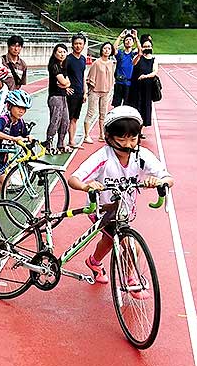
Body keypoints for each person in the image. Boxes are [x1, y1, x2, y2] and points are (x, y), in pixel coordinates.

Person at [68, 106, 173, 288]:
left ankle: (94, 262)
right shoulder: (103, 157)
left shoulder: (142, 155)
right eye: (121, 139)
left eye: (133, 138)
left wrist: (159, 181)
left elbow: (168, 178)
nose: (128, 145)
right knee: (132, 246)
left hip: (124, 211)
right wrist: (86, 186)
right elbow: (73, 179)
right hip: (102, 210)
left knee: (109, 240)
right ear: (109, 137)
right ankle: (130, 279)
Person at [0, 90, 33, 200]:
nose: (21, 111)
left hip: (3, 157)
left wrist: (29, 137)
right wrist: (12, 138)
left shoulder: (20, 122)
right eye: (18, 107)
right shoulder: (4, 120)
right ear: (9, 106)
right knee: (5, 183)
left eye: (24, 109)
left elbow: (25, 134)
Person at [84, 42, 115, 143]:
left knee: (103, 114)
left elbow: (111, 77)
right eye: (105, 48)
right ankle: (86, 135)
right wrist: (89, 90)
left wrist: (110, 88)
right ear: (101, 50)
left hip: (105, 92)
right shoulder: (96, 63)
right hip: (95, 91)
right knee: (91, 113)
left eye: (109, 49)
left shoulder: (111, 63)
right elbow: (90, 77)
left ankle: (102, 135)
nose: (107, 50)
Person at [126, 37, 158, 129]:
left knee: (145, 107)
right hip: (135, 87)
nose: (147, 48)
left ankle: (141, 130)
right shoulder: (138, 57)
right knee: (135, 106)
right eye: (145, 46)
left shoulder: (154, 60)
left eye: (149, 46)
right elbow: (133, 63)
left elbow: (155, 72)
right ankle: (134, 128)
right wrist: (139, 53)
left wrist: (145, 76)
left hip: (147, 88)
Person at [46, 43, 72, 154]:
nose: (62, 54)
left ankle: (60, 144)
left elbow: (67, 82)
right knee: (55, 121)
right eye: (60, 52)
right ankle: (49, 145)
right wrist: (66, 84)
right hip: (55, 97)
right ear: (55, 53)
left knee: (65, 121)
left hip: (63, 96)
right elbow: (64, 81)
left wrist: (66, 84)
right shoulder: (54, 65)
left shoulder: (63, 66)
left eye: (64, 52)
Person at [66, 34, 88, 147]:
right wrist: (66, 87)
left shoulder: (83, 59)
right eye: (76, 44)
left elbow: (83, 76)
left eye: (80, 44)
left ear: (84, 45)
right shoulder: (68, 59)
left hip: (80, 93)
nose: (78, 46)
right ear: (72, 45)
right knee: (68, 118)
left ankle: (71, 140)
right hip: (71, 93)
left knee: (75, 118)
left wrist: (85, 92)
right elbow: (62, 74)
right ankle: (65, 141)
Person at [112, 29, 138, 106]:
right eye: (126, 40)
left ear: (133, 43)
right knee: (117, 104)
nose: (128, 41)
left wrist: (136, 38)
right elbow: (113, 49)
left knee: (127, 105)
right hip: (119, 82)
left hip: (129, 83)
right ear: (124, 43)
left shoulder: (134, 54)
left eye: (130, 40)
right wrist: (120, 37)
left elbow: (140, 51)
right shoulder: (120, 54)